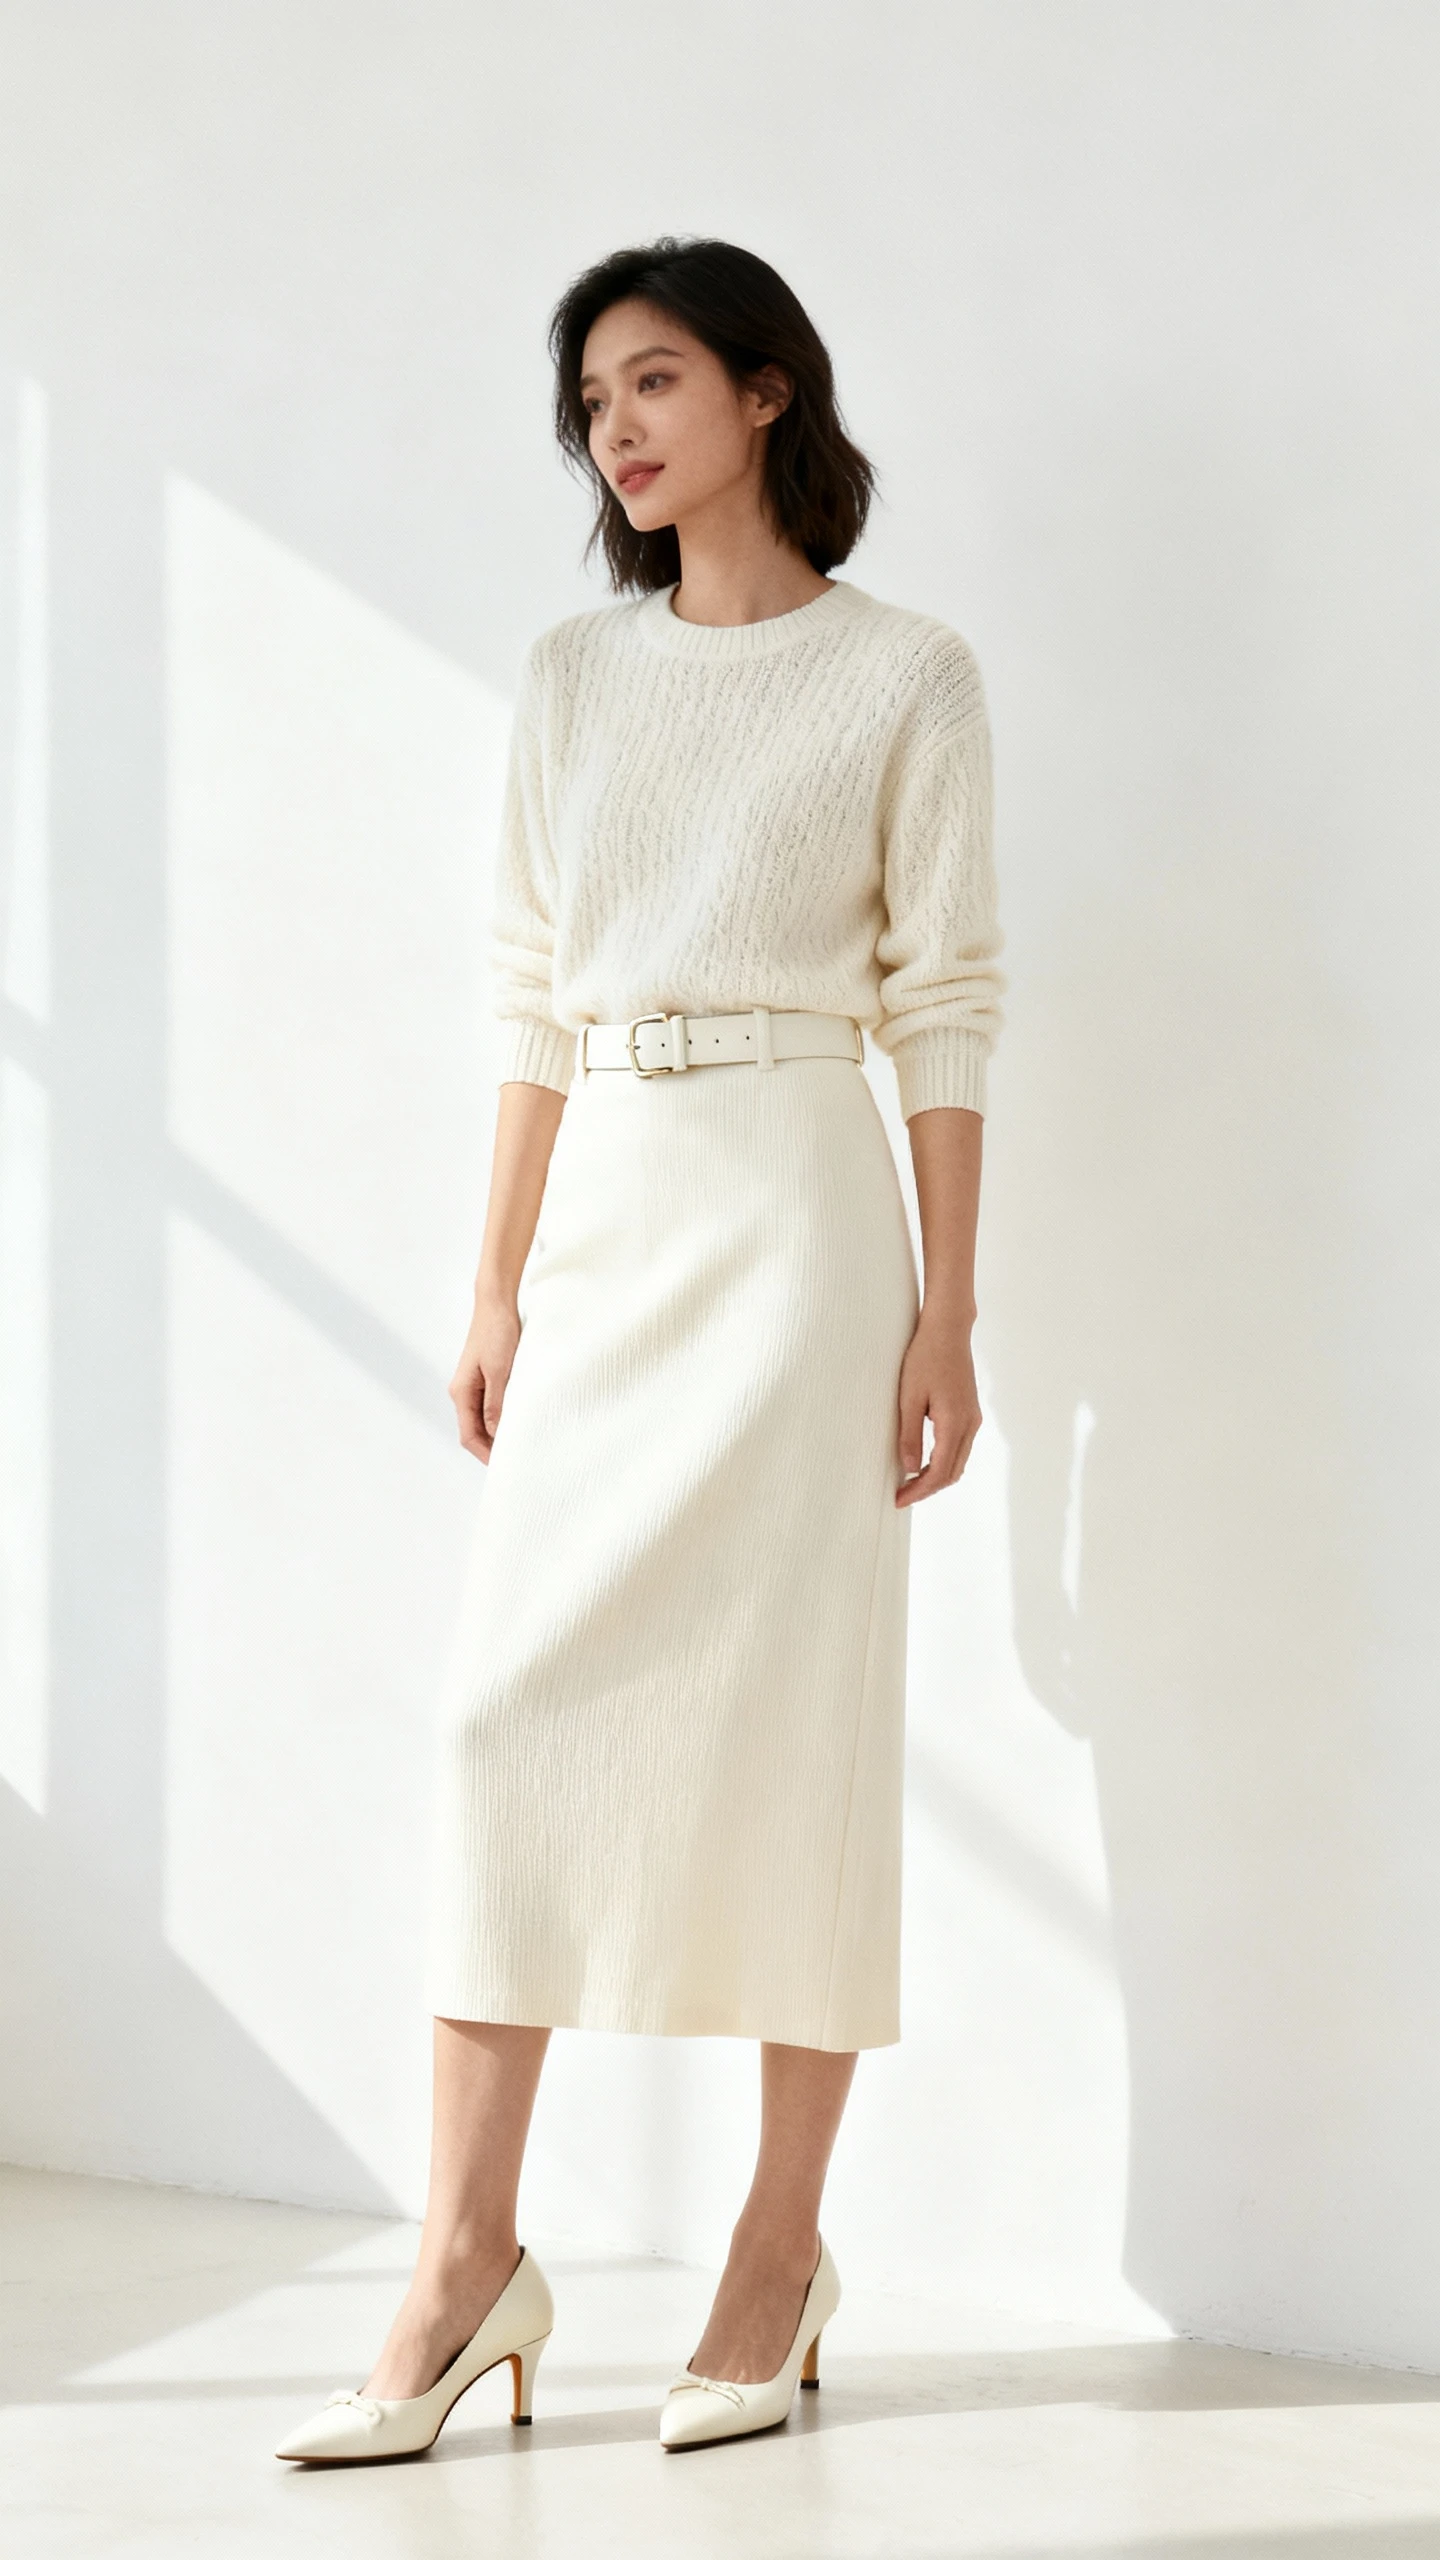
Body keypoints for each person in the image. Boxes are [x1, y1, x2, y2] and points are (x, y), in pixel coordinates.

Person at [275, 234, 1005, 2466]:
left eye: (658, 376)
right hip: (611, 1211)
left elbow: (946, 1003)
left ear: (770, 393)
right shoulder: (571, 682)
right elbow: (527, 992)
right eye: (594, 396)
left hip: (799, 1209)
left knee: (795, 1733)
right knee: (512, 1727)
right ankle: (458, 2261)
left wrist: (949, 1307)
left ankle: (774, 2257)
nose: (619, 423)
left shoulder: (908, 675)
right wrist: (495, 1275)